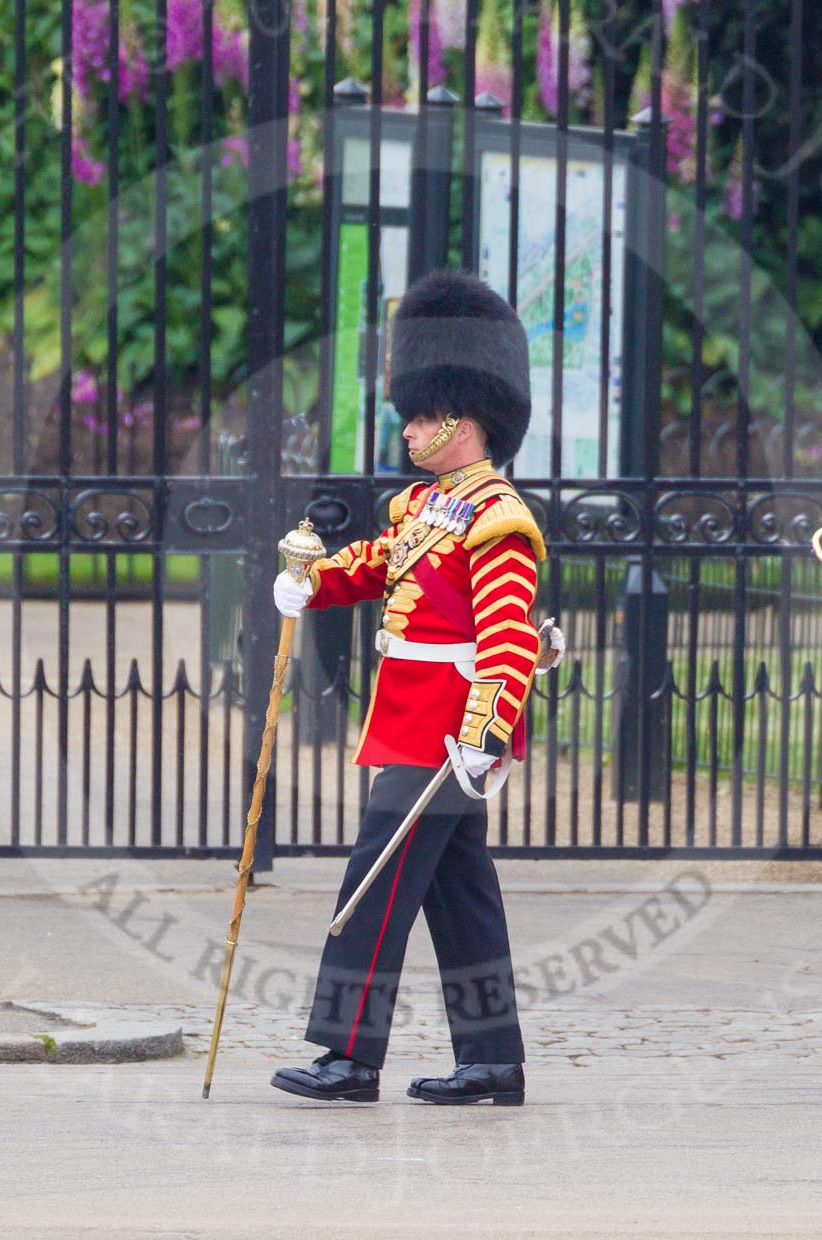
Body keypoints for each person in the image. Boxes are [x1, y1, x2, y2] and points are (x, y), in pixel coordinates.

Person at [268, 270, 552, 1106]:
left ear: (466, 420)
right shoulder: (425, 506)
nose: (413, 425)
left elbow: (504, 638)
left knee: (376, 885)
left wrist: (484, 735)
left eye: (428, 414)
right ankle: (493, 1060)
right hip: (412, 719)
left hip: (445, 733)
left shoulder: (500, 516)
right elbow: (379, 568)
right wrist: (312, 582)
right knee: (462, 896)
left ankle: (350, 1056)